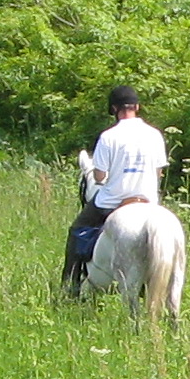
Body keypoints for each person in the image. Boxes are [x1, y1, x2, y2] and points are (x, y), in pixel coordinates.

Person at [66, 85, 168, 286]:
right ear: (137, 107)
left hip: (112, 202)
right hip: (148, 202)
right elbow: (159, 172)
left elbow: (100, 176)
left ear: (114, 109)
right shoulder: (155, 134)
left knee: (77, 230)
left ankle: (70, 284)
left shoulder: (108, 136)